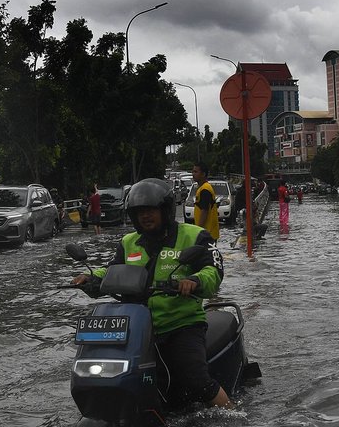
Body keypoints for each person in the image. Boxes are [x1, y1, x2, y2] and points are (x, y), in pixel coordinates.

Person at [72, 178, 233, 409]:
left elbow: (214, 270)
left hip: (181, 325)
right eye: (139, 212)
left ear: (165, 210)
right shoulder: (129, 242)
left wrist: (194, 281)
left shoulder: (194, 236)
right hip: (135, 327)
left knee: (196, 380)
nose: (145, 216)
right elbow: (112, 269)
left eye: (151, 210)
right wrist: (91, 278)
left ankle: (234, 417)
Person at [192, 161, 220, 241]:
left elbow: (204, 211)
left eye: (196, 172)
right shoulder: (203, 188)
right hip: (208, 233)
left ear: (203, 174)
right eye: (193, 171)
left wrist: (198, 230)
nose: (193, 174)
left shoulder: (205, 189)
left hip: (206, 234)